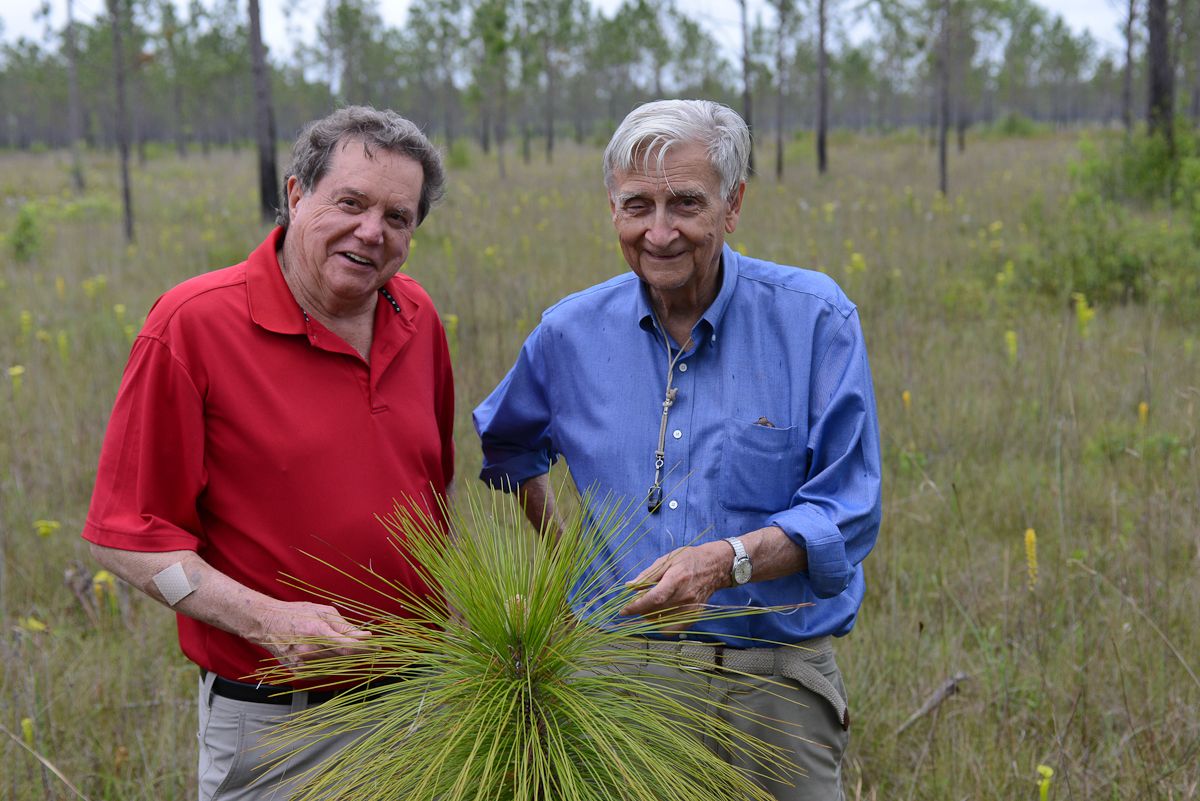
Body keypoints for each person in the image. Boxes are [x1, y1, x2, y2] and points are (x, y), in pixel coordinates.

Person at [474, 99, 881, 801]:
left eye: (686, 203)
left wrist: (726, 561)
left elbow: (849, 513)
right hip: (618, 688)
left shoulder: (815, 321)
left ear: (733, 204)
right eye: (637, 205)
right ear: (612, 208)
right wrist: (574, 568)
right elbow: (507, 446)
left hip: (773, 688)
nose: (659, 232)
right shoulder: (569, 335)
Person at [83, 106, 455, 800]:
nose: (371, 232)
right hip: (277, 724)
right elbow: (126, 539)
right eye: (350, 202)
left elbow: (432, 497)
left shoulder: (418, 317)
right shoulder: (192, 326)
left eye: (397, 217)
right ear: (296, 194)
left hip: (420, 707)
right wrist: (266, 618)